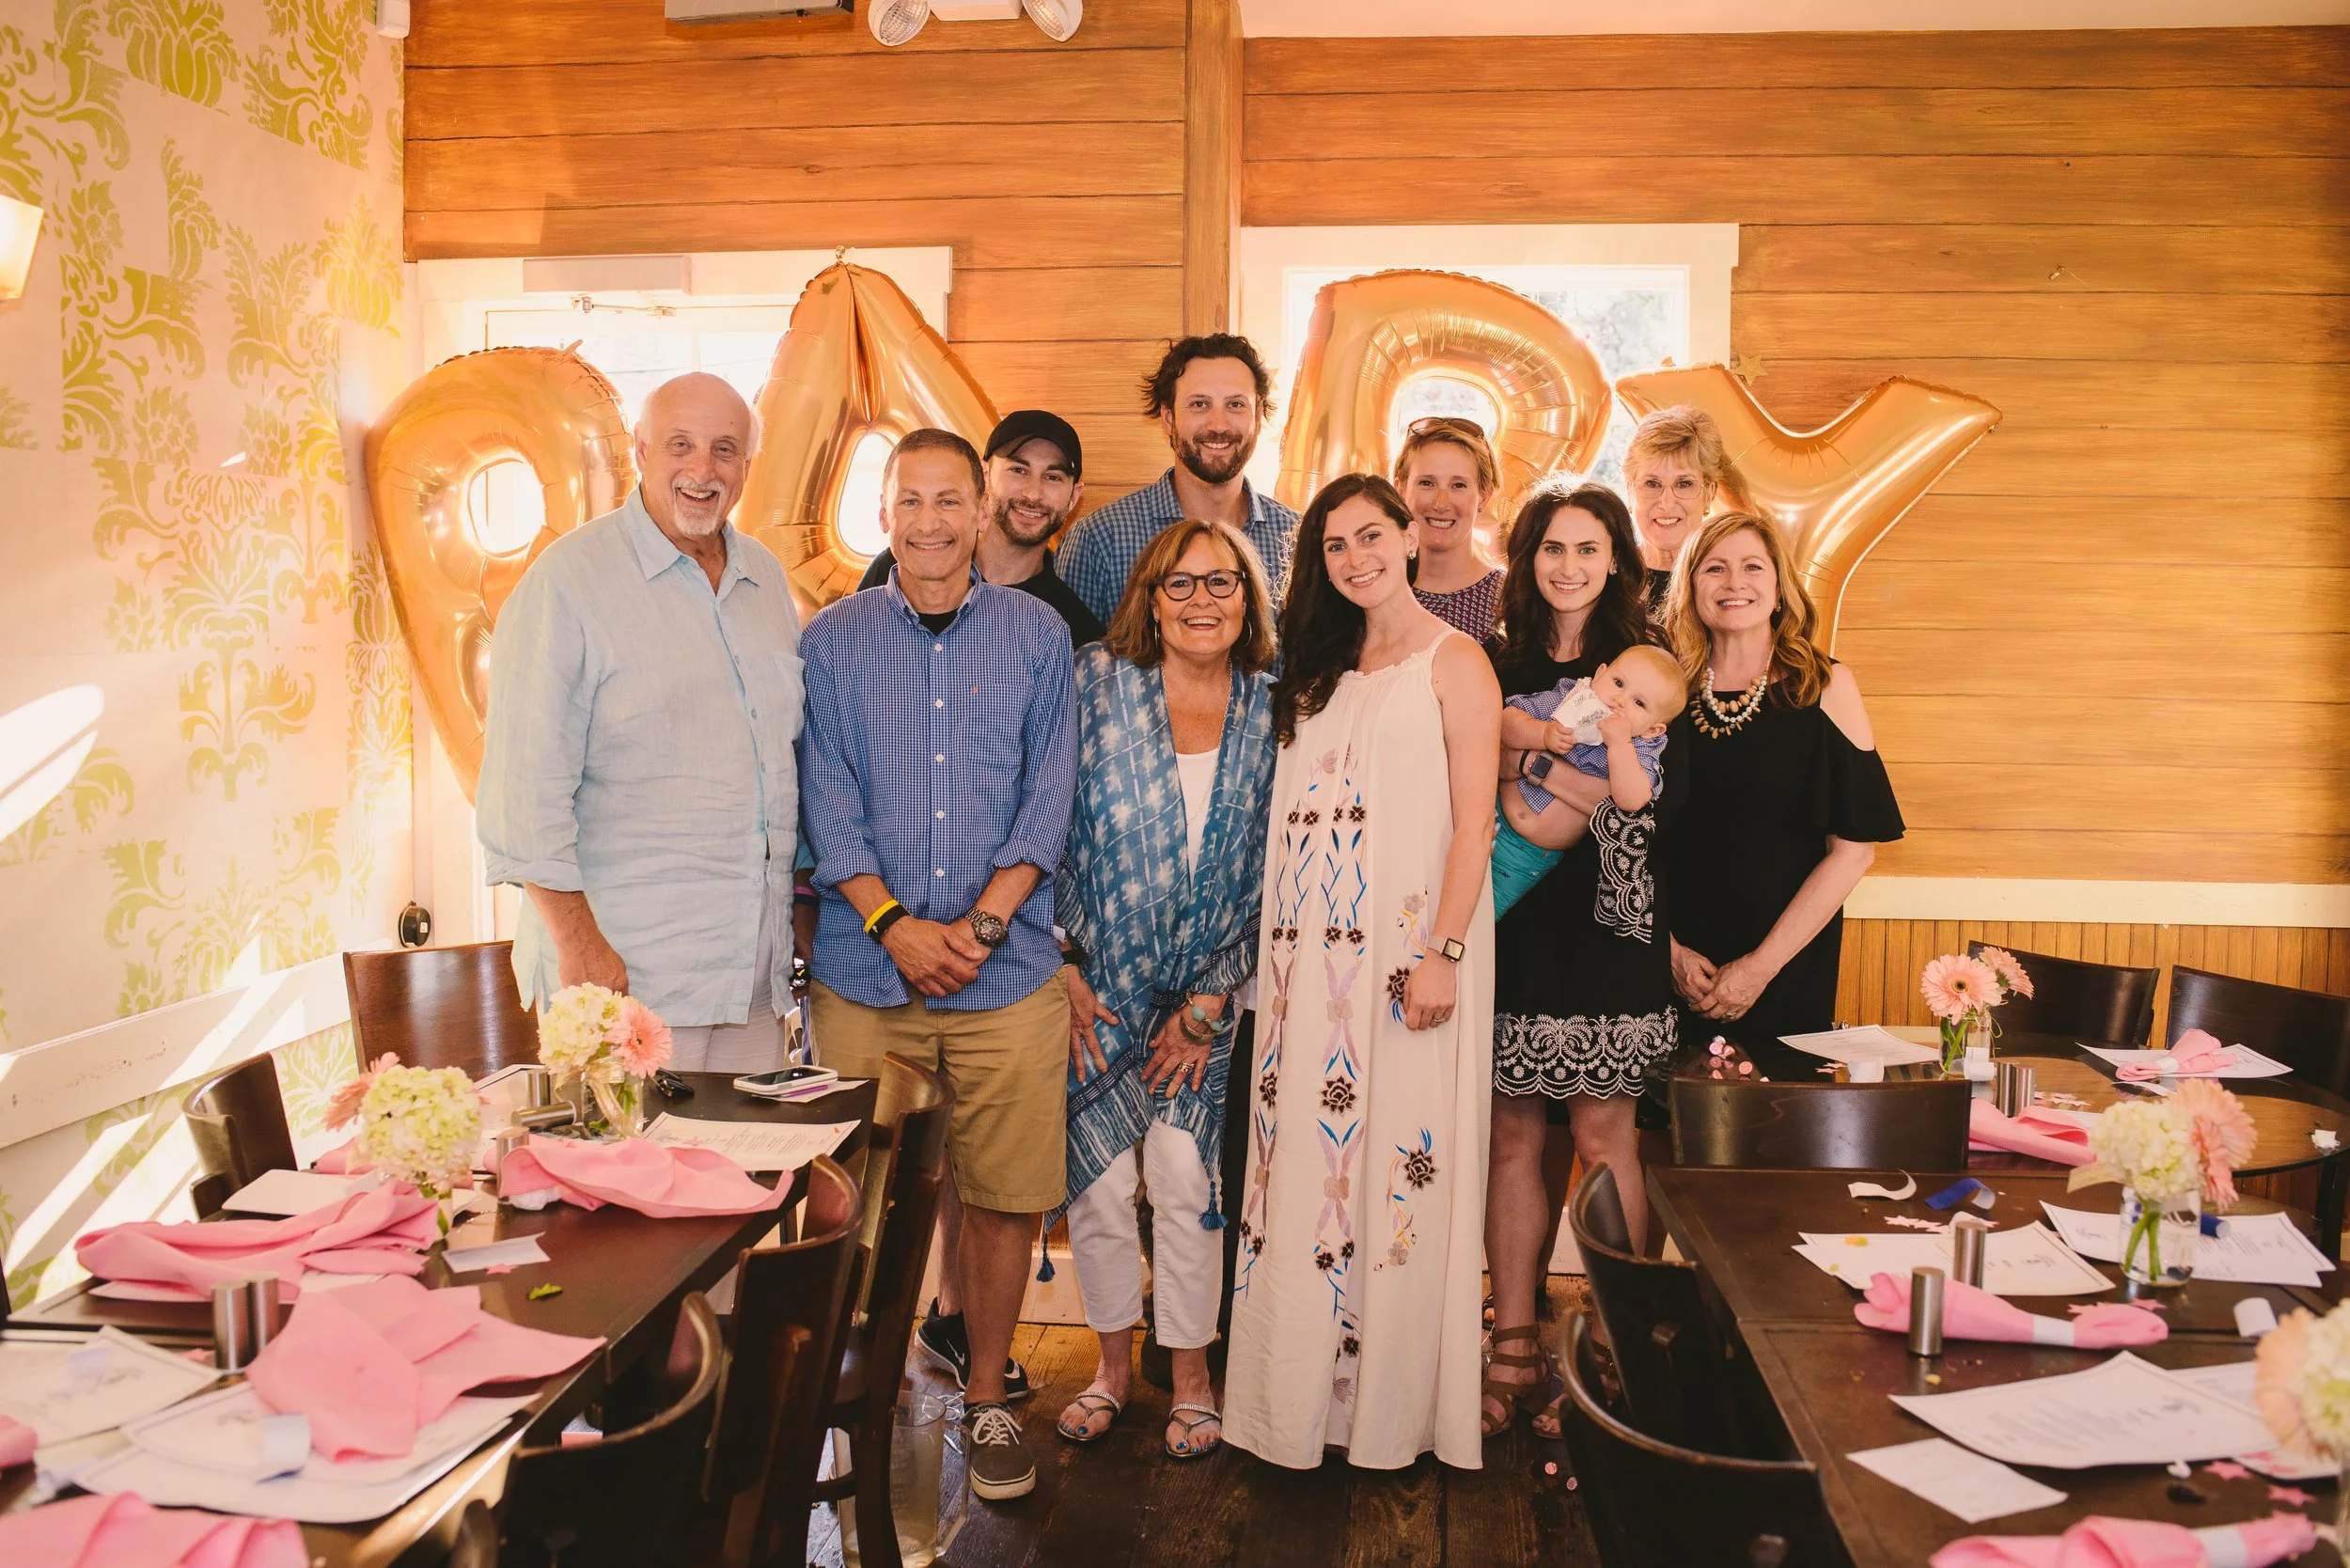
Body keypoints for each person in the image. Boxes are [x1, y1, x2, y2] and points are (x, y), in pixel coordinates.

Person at [797, 427, 1079, 1503]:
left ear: (980, 509)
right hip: (866, 979)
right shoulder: (830, 642)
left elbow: (1049, 794)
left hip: (1006, 978)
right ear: (883, 513)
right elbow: (827, 803)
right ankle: (867, 1400)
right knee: (858, 1204)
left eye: (948, 499)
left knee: (1005, 1198)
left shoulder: (1037, 635)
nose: (928, 522)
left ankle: (988, 1394)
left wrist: (981, 927)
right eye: (908, 501)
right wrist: (894, 928)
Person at [1224, 474, 1501, 1473]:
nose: (1355, 558)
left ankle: (1387, 1413)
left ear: (1407, 536)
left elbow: (1474, 823)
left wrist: (1443, 955)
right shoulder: (1317, 671)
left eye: (1370, 535)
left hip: (1407, 960)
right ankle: (1295, 1404)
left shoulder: (1454, 660)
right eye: (1334, 545)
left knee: (1395, 1162)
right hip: (1307, 973)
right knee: (1304, 1166)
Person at [478, 372, 800, 1073]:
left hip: (752, 983)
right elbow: (522, 794)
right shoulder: (569, 581)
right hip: (627, 980)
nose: (702, 470)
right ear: (642, 451)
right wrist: (579, 944)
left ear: (747, 465)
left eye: (724, 449)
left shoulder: (766, 580)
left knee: (752, 1150)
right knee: (631, 1152)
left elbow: (782, 767)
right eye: (680, 445)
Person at [1049, 519, 1278, 1463]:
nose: (1200, 602)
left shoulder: (1275, 706)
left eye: (1221, 583)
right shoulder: (1093, 682)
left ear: (1249, 600)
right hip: (1096, 986)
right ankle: (1109, 1369)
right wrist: (1060, 962)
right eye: (1178, 584)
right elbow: (1042, 816)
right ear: (1148, 598)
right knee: (1101, 1186)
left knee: (1186, 1180)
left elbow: (1280, 863)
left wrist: (1212, 1001)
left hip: (1210, 994)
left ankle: (1192, 1379)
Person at [1481, 478, 1683, 1438]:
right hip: (1510, 921)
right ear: (1528, 560)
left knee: (1607, 1140)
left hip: (1610, 927)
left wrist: (1530, 765)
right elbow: (1459, 763)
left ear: (1616, 562)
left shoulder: (1648, 665)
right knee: (1511, 1138)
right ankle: (1512, 1340)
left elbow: (1643, 802)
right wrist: (1544, 767)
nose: (1569, 566)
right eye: (1552, 548)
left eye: (1588, 549)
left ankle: (1612, 1343)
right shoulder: (1495, 659)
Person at [1660, 510, 1905, 1086]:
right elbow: (1626, 835)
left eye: (1752, 567)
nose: (1734, 583)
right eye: (1714, 568)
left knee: (1777, 1128)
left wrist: (1759, 968)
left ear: (1778, 586)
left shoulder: (1824, 685)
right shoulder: (1663, 687)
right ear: (1690, 585)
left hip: (1784, 966)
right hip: (1669, 966)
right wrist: (1665, 952)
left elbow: (1854, 850)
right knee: (1665, 1129)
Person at [1056, 334, 1300, 626]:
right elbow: (1065, 653)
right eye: (1199, 404)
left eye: (1235, 405)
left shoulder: (1298, 539)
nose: (1219, 425)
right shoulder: (1098, 540)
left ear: (1258, 418)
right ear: (1169, 418)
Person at [856, 409, 1104, 647]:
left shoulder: (1072, 627)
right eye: (1018, 470)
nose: (1032, 494)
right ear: (984, 476)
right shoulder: (901, 567)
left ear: (1074, 497)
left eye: (1052, 477)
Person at [1490, 645, 1685, 919]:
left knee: (1483, 914)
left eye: (1639, 703)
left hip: (1525, 857)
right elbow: (1506, 720)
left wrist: (1619, 746)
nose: (1619, 700)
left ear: (1653, 729)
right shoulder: (1573, 698)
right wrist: (1543, 733)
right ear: (1600, 674)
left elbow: (1633, 801)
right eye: (1618, 683)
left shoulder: (1640, 747)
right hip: (1488, 814)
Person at [1396, 416, 1505, 640]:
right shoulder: (1372, 583)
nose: (1441, 504)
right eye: (1427, 483)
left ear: (1484, 497)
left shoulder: (1511, 598)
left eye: (1458, 485)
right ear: (1400, 490)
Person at [1622, 405, 1733, 606]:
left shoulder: (1732, 582)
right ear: (1630, 491)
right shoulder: (1605, 577)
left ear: (1709, 493)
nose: (1666, 503)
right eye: (1652, 484)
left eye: (1684, 484)